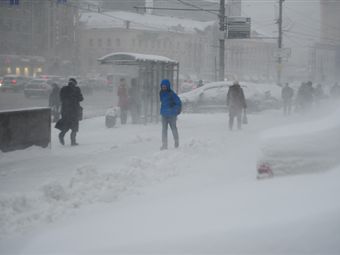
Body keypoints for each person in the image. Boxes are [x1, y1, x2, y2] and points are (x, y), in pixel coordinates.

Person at [57, 78, 83, 146]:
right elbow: (81, 98)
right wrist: (75, 97)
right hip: (73, 111)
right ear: (75, 83)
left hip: (66, 111)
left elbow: (61, 99)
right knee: (74, 127)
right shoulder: (76, 89)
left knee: (67, 126)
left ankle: (61, 135)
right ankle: (73, 142)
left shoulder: (63, 89)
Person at [159, 79, 182, 150]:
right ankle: (164, 144)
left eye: (165, 86)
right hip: (164, 115)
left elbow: (178, 102)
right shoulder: (161, 93)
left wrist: (175, 110)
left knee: (173, 129)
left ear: (168, 86)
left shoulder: (172, 94)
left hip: (172, 115)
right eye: (162, 86)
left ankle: (176, 142)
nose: (164, 88)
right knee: (164, 130)